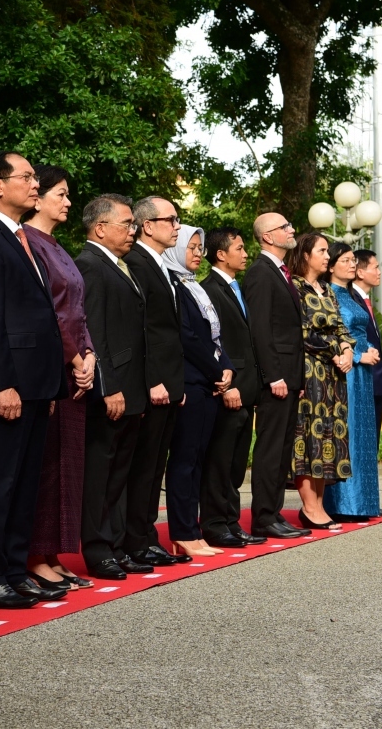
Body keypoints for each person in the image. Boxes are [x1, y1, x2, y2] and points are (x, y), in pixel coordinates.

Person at [0, 152, 67, 608]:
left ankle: (13, 566)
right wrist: (0, 382)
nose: (35, 184)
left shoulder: (21, 237)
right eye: (26, 177)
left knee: (25, 482)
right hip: (8, 383)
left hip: (36, 381)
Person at [20, 165, 96, 588]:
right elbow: (48, 311)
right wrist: (72, 356)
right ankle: (34, 556)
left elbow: (77, 311)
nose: (68, 202)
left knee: (66, 465)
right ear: (40, 196)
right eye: (62, 194)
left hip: (76, 369)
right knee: (45, 466)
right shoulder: (28, 242)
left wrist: (90, 355)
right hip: (54, 367)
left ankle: (52, 553)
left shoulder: (56, 245)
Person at [76, 195, 148, 580]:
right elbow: (94, 332)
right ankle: (98, 549)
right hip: (112, 387)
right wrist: (108, 386)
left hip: (131, 386)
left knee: (119, 472)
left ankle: (116, 545)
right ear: (101, 228)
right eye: (127, 224)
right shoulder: (90, 265)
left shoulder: (119, 265)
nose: (133, 231)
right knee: (100, 473)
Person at [123, 197, 189, 565]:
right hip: (153, 383)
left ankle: (147, 537)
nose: (177, 226)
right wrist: (154, 381)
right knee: (143, 466)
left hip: (169, 382)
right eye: (171, 220)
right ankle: (136, 540)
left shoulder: (161, 264)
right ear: (147, 225)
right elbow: (142, 331)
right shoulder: (136, 262)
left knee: (155, 466)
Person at [162, 226, 235, 557]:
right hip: (191, 382)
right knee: (184, 461)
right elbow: (188, 337)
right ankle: (183, 532)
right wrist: (217, 370)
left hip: (209, 382)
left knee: (198, 460)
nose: (197, 253)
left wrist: (228, 367)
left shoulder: (194, 287)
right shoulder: (174, 285)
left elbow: (214, 335)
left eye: (200, 248)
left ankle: (192, 531)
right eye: (191, 247)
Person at [244, 213, 310, 539]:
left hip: (290, 376)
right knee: (270, 448)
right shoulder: (260, 273)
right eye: (285, 227)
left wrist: (295, 377)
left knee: (283, 449)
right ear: (268, 236)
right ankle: (263, 517)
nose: (291, 229)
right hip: (275, 379)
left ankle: (274, 513)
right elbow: (260, 329)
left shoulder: (281, 272)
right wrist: (273, 376)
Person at [200, 228, 265, 548]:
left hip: (249, 387)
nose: (245, 253)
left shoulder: (237, 288)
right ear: (221, 254)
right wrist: (227, 386)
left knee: (238, 461)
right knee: (220, 460)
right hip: (228, 386)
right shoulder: (208, 289)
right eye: (238, 248)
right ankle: (214, 523)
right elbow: (214, 342)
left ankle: (231, 520)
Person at [287, 233, 354, 529]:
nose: (327, 256)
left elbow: (340, 326)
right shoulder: (294, 287)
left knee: (329, 435)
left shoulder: (326, 289)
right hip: (310, 370)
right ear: (305, 255)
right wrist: (334, 351)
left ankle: (319, 505)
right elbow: (300, 330)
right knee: (308, 436)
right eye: (322, 251)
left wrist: (348, 349)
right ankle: (309, 507)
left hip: (333, 374)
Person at [323, 244, 382, 520]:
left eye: (352, 260)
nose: (351, 265)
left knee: (364, 434)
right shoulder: (327, 295)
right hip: (345, 372)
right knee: (347, 434)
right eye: (345, 260)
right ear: (331, 266)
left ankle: (365, 502)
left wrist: (369, 350)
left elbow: (357, 330)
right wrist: (358, 355)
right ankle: (343, 504)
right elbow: (330, 334)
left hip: (362, 374)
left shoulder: (350, 296)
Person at [350, 250, 382, 438]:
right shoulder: (350, 300)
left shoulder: (365, 300)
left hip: (376, 383)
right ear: (360, 272)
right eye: (375, 267)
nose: (379, 272)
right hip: (362, 381)